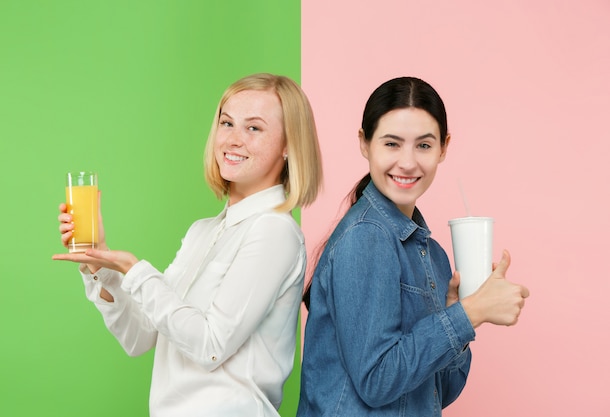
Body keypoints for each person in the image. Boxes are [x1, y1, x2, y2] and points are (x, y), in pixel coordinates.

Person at [53, 73, 323, 417]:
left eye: (254, 128)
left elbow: (210, 346)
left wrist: (135, 270)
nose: (233, 139)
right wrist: (100, 265)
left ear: (289, 145)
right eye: (227, 123)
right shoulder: (202, 232)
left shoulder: (274, 232)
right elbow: (139, 338)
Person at [297, 76, 529, 416]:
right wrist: (471, 312)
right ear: (364, 143)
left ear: (444, 147)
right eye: (391, 144)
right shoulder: (366, 235)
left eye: (423, 145)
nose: (407, 162)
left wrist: (460, 316)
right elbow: (377, 381)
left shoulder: (432, 254)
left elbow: (441, 392)